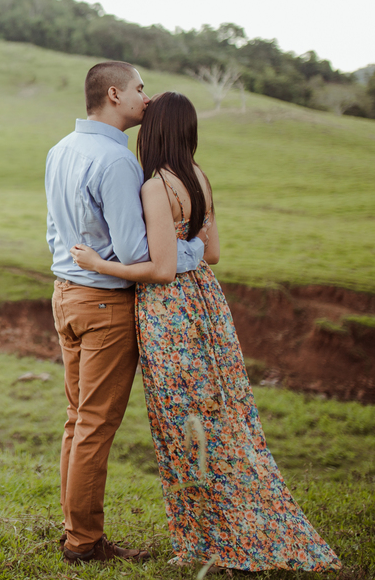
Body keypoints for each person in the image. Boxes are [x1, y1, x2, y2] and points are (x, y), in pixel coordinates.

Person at [70, 91, 341, 572]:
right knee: (222, 417)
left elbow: (160, 270)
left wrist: (97, 264)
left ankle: (216, 540)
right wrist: (180, 250)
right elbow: (210, 254)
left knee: (184, 427)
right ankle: (229, 529)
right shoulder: (199, 177)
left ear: (154, 132)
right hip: (207, 304)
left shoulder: (155, 186)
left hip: (169, 312)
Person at [44, 61, 207, 564]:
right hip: (104, 304)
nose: (146, 97)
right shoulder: (117, 163)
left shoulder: (61, 150)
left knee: (77, 420)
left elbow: (57, 233)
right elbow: (140, 256)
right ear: (114, 94)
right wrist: (195, 253)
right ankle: (84, 543)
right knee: (94, 425)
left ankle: (76, 531)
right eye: (140, 88)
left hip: (66, 294)